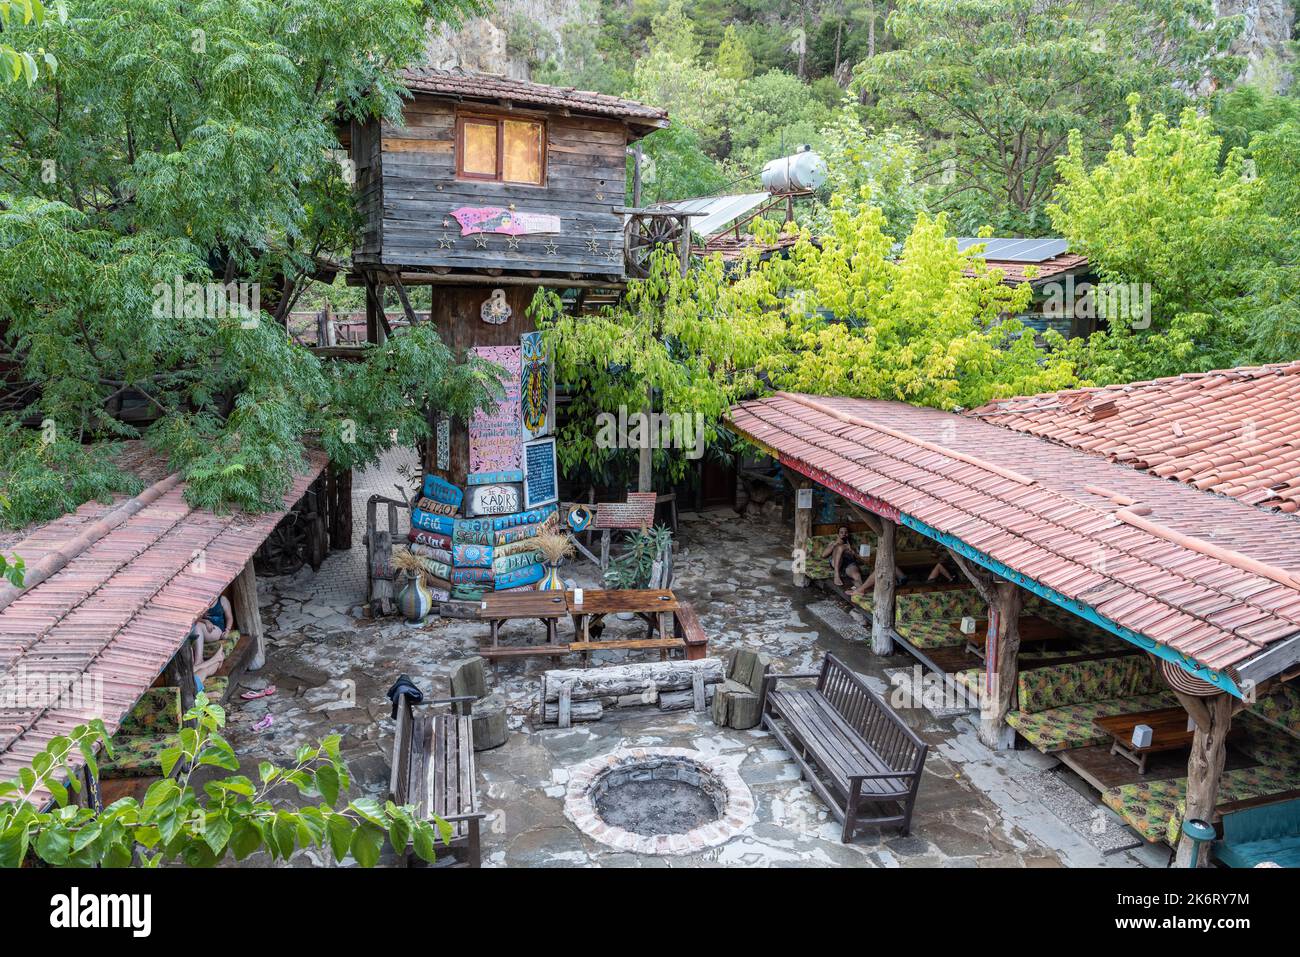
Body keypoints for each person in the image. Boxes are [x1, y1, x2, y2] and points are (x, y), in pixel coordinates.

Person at [190, 595, 234, 686]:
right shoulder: (200, 600)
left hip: (216, 630)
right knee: (197, 625)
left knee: (197, 626)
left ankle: (198, 661)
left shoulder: (222, 600)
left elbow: (229, 617)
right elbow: (193, 618)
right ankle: (213, 660)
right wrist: (205, 621)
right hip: (202, 629)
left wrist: (227, 630)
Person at [822, 526, 865, 590]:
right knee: (840, 547)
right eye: (841, 532)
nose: (844, 534)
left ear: (848, 534)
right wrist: (835, 544)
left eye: (846, 532)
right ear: (838, 535)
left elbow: (860, 559)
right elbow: (823, 555)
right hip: (837, 563)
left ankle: (858, 590)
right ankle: (836, 575)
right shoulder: (833, 543)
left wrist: (852, 552)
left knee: (857, 576)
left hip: (849, 564)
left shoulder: (852, 545)